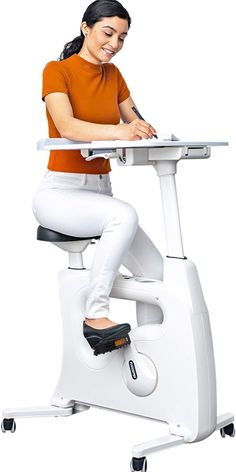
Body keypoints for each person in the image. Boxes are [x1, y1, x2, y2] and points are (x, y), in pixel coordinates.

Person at [32, 0, 163, 356]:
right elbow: (67, 126)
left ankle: (153, 353)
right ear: (85, 27)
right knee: (124, 214)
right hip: (60, 194)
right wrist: (120, 133)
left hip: (99, 193)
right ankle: (95, 315)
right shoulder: (57, 71)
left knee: (155, 271)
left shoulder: (114, 75)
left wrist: (142, 131)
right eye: (108, 33)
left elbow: (134, 121)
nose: (115, 43)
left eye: (122, 37)